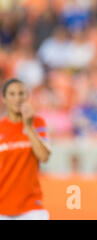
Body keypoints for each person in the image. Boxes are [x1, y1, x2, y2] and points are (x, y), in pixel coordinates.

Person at [0, 78, 51, 220]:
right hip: (2, 206)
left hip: (31, 206)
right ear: (4, 99)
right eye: (12, 94)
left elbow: (44, 156)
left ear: (27, 96)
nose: (17, 98)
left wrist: (28, 127)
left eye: (21, 93)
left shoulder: (38, 123)